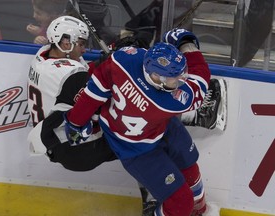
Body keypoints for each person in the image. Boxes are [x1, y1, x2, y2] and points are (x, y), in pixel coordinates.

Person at [62, 28, 210, 215]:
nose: (178, 83)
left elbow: (93, 93)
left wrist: (75, 122)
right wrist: (186, 43)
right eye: (172, 80)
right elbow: (201, 82)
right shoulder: (169, 102)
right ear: (155, 77)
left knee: (190, 166)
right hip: (136, 150)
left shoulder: (122, 61)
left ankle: (201, 211)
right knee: (181, 203)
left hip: (154, 127)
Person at [27, 15, 116, 172]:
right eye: (81, 44)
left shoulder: (43, 54)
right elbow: (99, 106)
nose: (83, 50)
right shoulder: (71, 74)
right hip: (76, 149)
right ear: (65, 42)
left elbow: (78, 77)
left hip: (52, 140)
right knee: (139, 138)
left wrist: (103, 63)